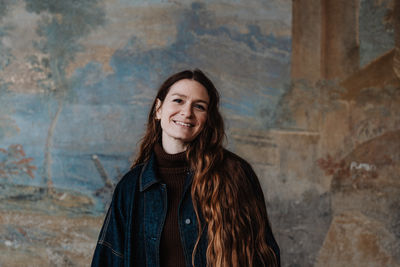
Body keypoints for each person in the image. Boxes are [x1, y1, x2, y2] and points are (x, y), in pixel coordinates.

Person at [91, 69, 280, 267]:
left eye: (199, 106)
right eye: (178, 101)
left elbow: (264, 256)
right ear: (159, 109)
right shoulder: (132, 187)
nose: (187, 112)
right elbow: (107, 260)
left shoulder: (235, 173)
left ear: (208, 119)